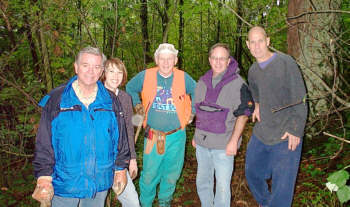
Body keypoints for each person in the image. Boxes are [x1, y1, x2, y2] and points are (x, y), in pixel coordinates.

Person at [32, 47, 130, 207]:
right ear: (76, 67)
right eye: (85, 65)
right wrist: (44, 176)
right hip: (64, 182)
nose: (91, 71)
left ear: (101, 71)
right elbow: (44, 141)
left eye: (97, 67)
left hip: (99, 182)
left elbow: (120, 138)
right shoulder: (57, 99)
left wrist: (120, 169)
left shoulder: (110, 100)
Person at [126, 43, 196, 207]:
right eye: (162, 58)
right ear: (156, 59)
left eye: (170, 58)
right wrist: (137, 104)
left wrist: (192, 112)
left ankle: (165, 203)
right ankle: (146, 204)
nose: (166, 62)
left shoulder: (183, 77)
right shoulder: (146, 75)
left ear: (175, 60)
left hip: (177, 136)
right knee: (149, 175)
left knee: (171, 175)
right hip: (153, 135)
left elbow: (199, 91)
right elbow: (130, 87)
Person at [245, 26, 308, 207]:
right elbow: (255, 91)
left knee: (282, 188)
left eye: (260, 41)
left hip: (287, 134)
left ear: (268, 41)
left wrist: (295, 130)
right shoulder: (253, 71)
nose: (257, 46)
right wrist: (257, 104)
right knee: (253, 172)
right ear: (248, 45)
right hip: (263, 131)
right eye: (252, 42)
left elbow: (300, 98)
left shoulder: (285, 63)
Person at [192, 43, 254, 207]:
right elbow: (199, 111)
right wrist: (195, 136)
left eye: (222, 58)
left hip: (224, 146)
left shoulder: (238, 84)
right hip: (202, 145)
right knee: (203, 183)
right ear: (209, 60)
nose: (218, 62)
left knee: (222, 188)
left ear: (228, 61)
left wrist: (234, 141)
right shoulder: (202, 82)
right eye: (215, 58)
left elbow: (244, 114)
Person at [101, 58, 140, 207]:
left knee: (132, 202)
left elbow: (129, 130)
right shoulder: (95, 94)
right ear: (104, 73)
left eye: (119, 72)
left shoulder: (125, 98)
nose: (115, 76)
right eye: (111, 71)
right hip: (99, 161)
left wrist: (132, 159)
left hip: (119, 160)